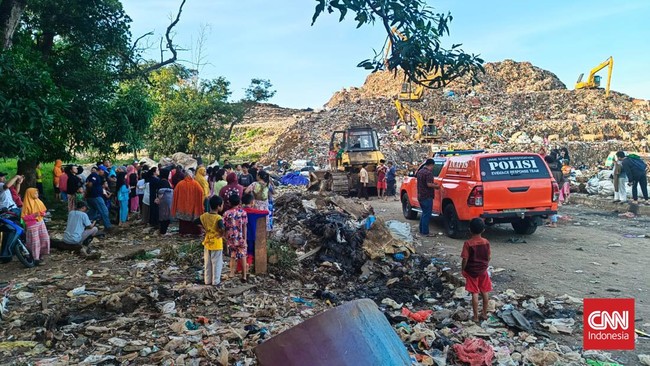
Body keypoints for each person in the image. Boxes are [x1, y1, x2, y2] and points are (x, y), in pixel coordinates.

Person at [461, 218, 492, 322]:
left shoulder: (468, 243)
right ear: (483, 230)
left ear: (470, 229)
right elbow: (488, 257)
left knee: (475, 292)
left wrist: (463, 269)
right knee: (484, 291)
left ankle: (475, 317)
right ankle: (484, 313)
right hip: (483, 270)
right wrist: (485, 265)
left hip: (471, 271)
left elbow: (465, 259)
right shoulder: (486, 242)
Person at [199, 196, 225, 286]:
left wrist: (203, 229)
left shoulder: (205, 216)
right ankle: (216, 281)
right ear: (218, 206)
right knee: (216, 263)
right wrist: (221, 234)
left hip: (207, 241)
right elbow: (222, 227)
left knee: (207, 263)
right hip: (216, 242)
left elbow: (195, 221)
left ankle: (207, 280)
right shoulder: (218, 218)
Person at [21, 188, 50, 266]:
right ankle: (36, 258)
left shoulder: (38, 201)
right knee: (35, 242)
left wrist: (42, 214)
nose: (37, 195)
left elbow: (43, 210)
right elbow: (24, 217)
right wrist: (33, 215)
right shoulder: (26, 204)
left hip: (41, 222)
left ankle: (40, 254)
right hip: (32, 224)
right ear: (30, 194)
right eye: (35, 193)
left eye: (37, 193)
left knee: (45, 238)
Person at [172, 171, 205, 236]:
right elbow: (201, 192)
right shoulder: (196, 184)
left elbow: (175, 192)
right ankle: (194, 233)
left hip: (182, 207)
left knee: (183, 223)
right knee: (193, 222)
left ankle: (183, 233)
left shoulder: (180, 184)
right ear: (191, 176)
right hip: (193, 207)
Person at [224, 194, 248, 281]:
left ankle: (231, 273)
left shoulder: (226, 213)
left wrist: (226, 238)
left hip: (231, 238)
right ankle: (244, 275)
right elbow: (245, 226)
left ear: (229, 202)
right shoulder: (243, 212)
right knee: (243, 256)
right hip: (241, 238)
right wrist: (245, 238)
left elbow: (225, 228)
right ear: (239, 202)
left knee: (233, 255)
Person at [86, 166, 112, 231]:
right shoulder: (94, 175)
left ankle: (84, 223)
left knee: (93, 211)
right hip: (95, 196)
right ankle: (108, 226)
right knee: (104, 210)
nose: (103, 173)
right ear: (100, 170)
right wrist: (91, 189)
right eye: (103, 171)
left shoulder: (97, 176)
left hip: (91, 196)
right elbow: (90, 184)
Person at [416, 159, 436, 236]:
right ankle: (425, 232)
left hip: (420, 195)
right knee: (427, 214)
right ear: (431, 165)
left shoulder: (420, 172)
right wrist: (437, 186)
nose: (433, 168)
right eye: (433, 166)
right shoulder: (428, 173)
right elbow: (429, 184)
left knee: (424, 213)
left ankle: (421, 230)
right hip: (427, 196)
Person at [544, 155, 563, 228]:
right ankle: (551, 221)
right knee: (554, 206)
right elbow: (563, 180)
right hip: (556, 189)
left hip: (549, 189)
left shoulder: (548, 169)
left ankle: (553, 223)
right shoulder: (558, 168)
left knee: (550, 207)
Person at [157, 168, 174, 235]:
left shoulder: (162, 181)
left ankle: (163, 231)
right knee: (165, 217)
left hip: (165, 202)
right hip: (165, 202)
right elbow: (161, 192)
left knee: (164, 216)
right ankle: (163, 231)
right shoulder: (164, 182)